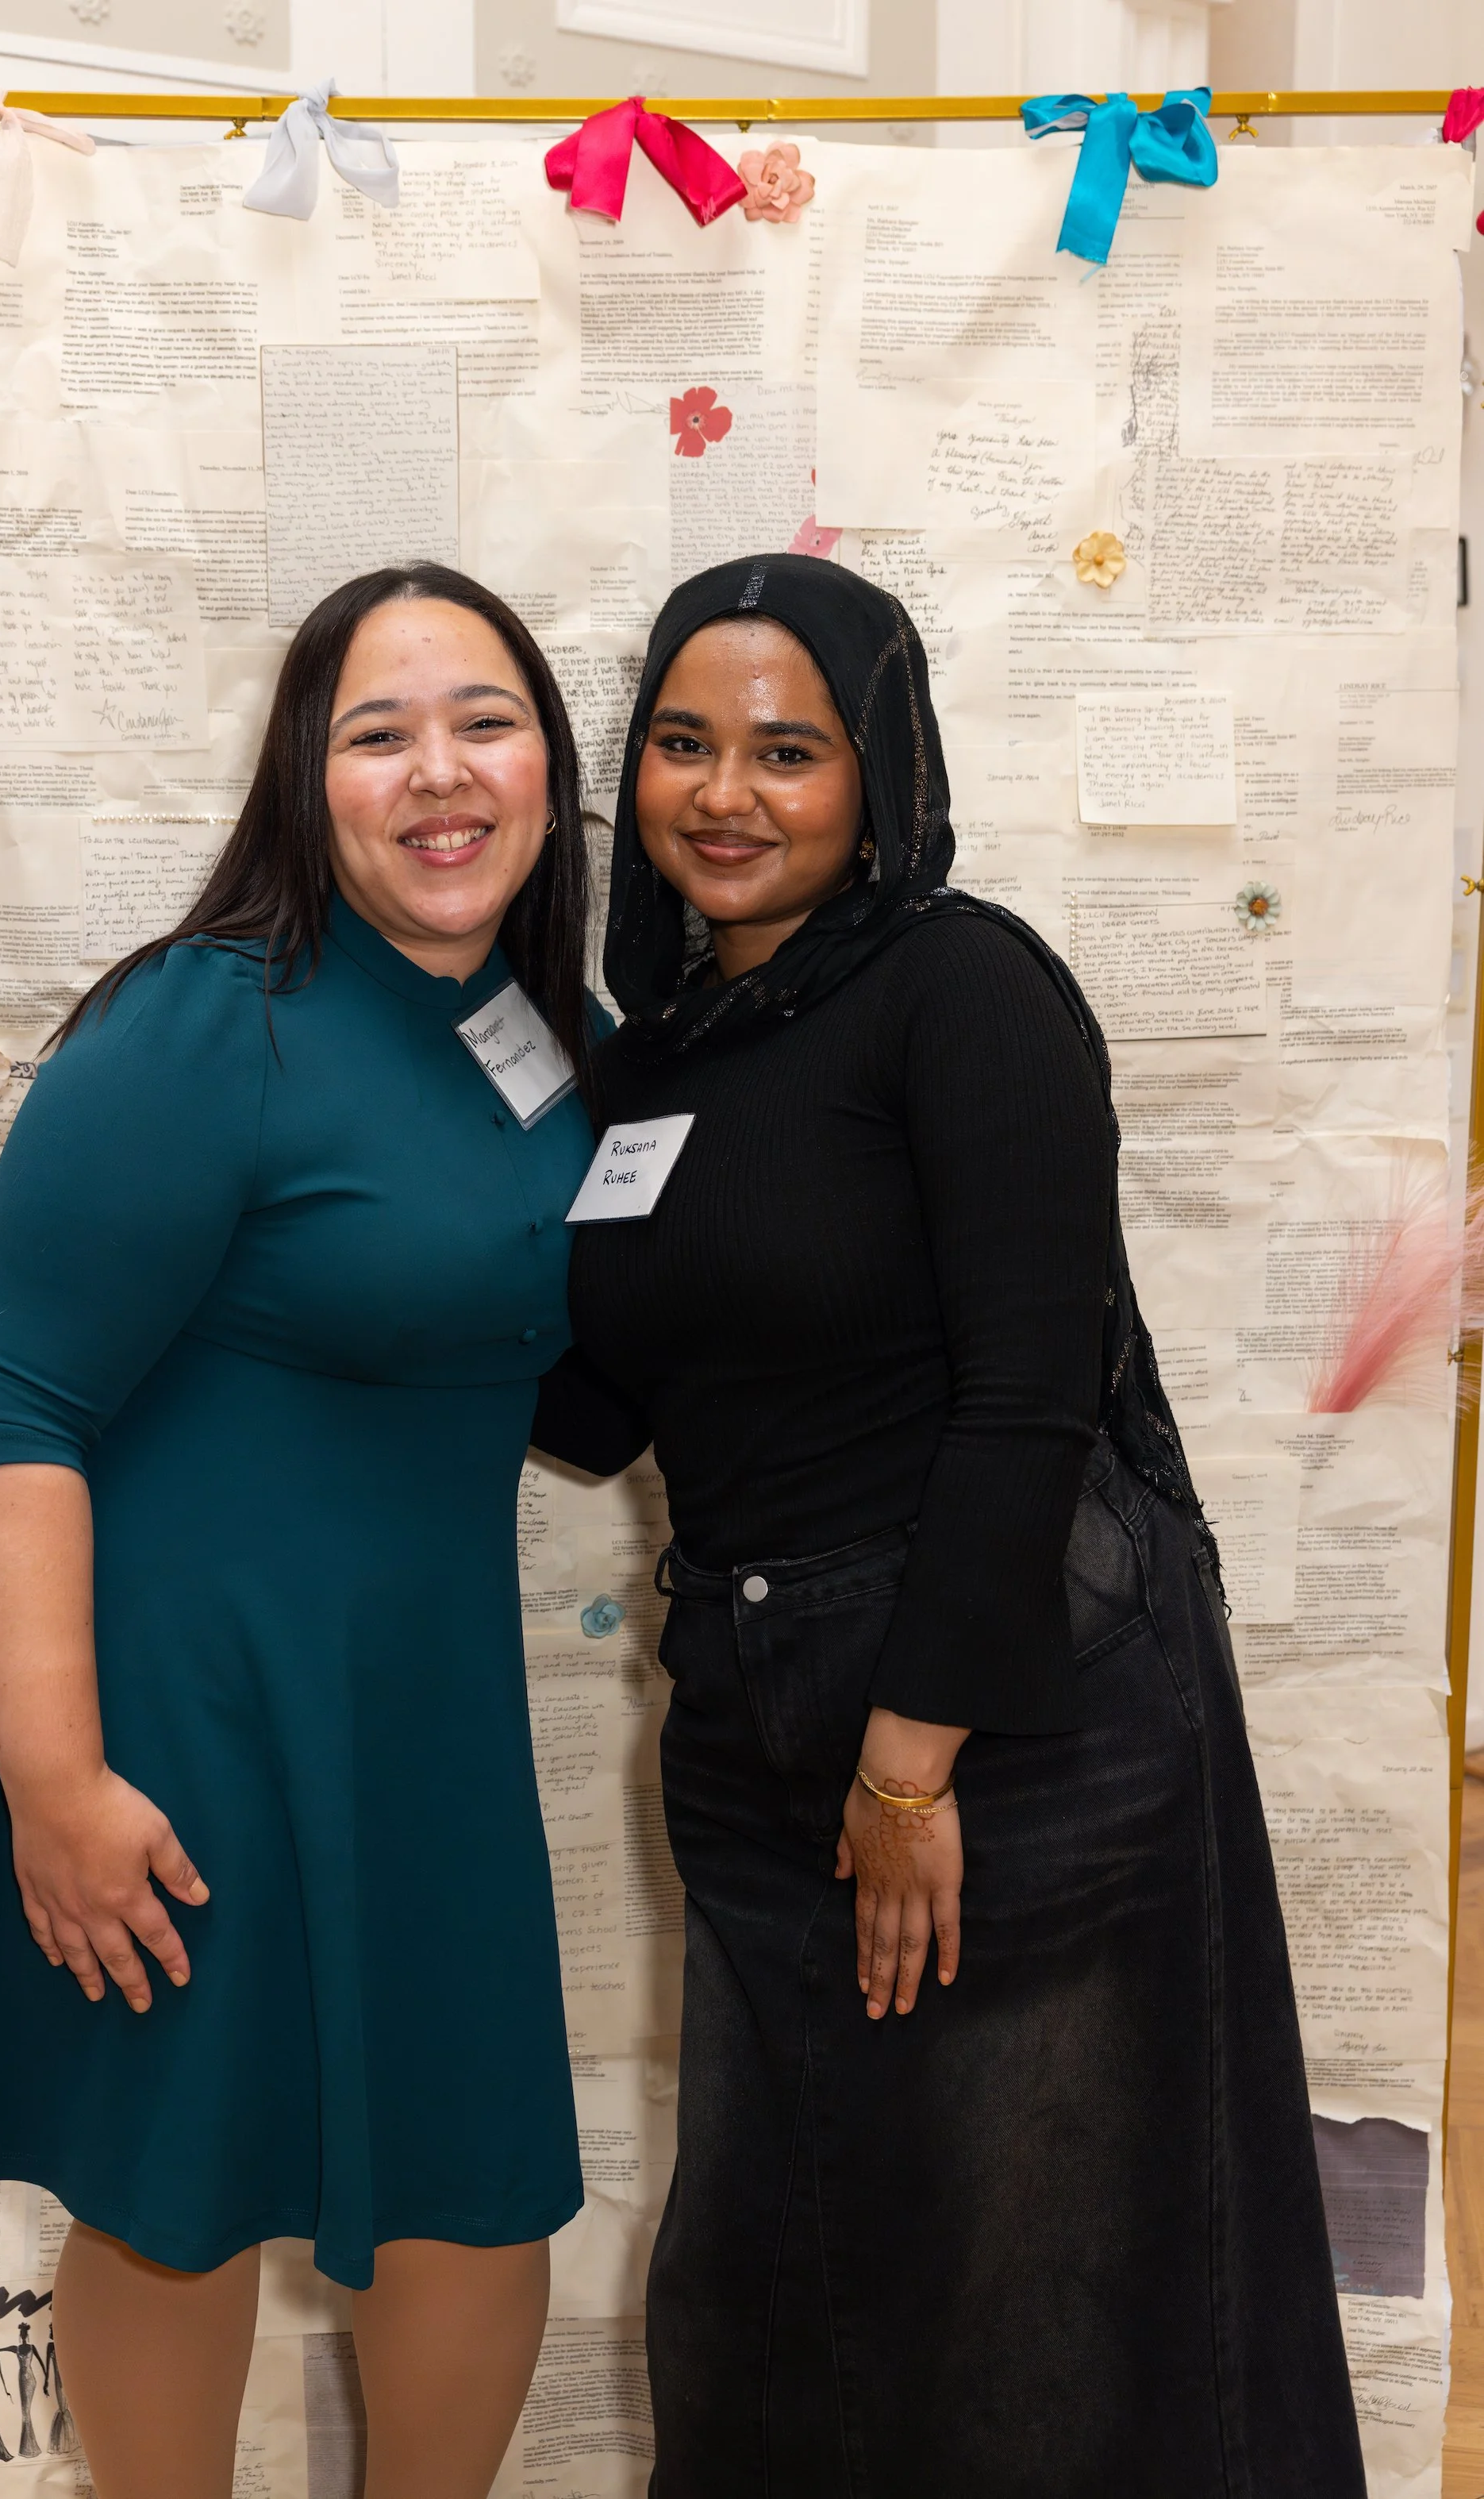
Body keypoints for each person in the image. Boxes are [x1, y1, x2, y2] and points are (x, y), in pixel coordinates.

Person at [532, 554, 1365, 2497]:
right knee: (783, 2286)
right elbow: (602, 1409)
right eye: (680, 742)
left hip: (1013, 1728)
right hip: (748, 1722)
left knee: (1041, 2315)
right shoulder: (648, 1061)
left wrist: (913, 1765)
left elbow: (1029, 1394)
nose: (723, 793)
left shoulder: (964, 984)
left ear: (881, 778)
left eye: (787, 750)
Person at [0, 563, 603, 2499]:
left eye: (485, 719)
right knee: (178, 2187)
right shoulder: (205, 1019)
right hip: (154, 1700)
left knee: (480, 2181)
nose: (442, 770)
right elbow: (15, 1406)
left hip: (413, 1708)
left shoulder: (555, 1032)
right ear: (303, 775)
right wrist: (58, 1780)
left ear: (550, 764)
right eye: (378, 729)